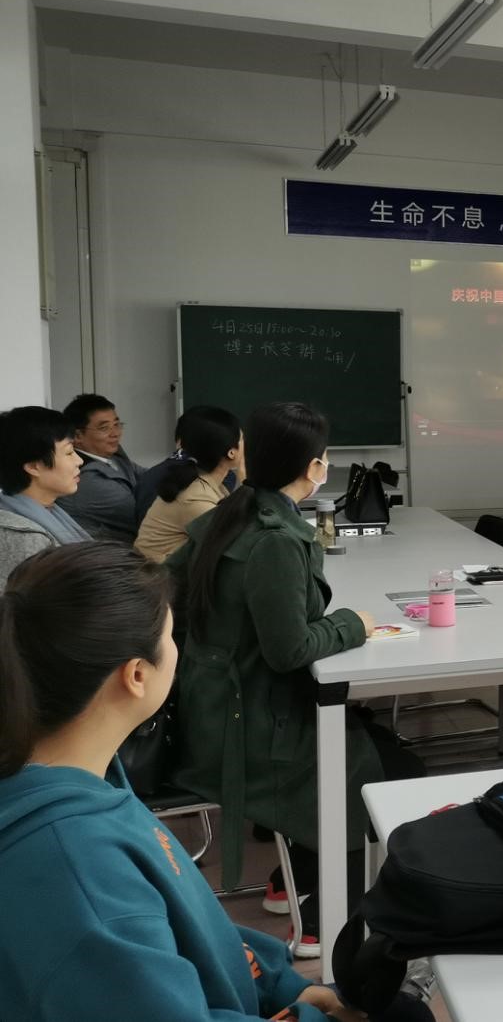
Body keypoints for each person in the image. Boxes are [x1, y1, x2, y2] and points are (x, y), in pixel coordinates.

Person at [0, 542, 431, 1021]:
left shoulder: (81, 778)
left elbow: (195, 933)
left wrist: (283, 986)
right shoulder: (80, 872)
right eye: (172, 637)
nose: (178, 651)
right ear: (136, 676)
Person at [167, 402, 423, 958]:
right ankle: (324, 921)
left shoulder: (229, 514)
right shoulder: (276, 540)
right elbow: (290, 650)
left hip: (213, 707)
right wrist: (352, 624)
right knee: (380, 767)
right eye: (323, 457)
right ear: (312, 467)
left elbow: (180, 610)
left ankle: (292, 880)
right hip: (249, 723)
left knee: (366, 742)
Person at [135, 406, 244, 562]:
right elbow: (239, 545)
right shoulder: (195, 499)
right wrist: (246, 480)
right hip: (158, 575)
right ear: (231, 452)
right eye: (242, 439)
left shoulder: (205, 482)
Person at [0, 406, 89, 585]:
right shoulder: (26, 538)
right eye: (69, 452)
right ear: (33, 467)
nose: (79, 461)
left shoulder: (48, 511)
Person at [56, 393, 147, 543]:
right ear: (77, 436)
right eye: (104, 428)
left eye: (117, 425)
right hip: (113, 553)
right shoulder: (84, 477)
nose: (115, 434)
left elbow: (150, 476)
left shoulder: (112, 457)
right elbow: (143, 514)